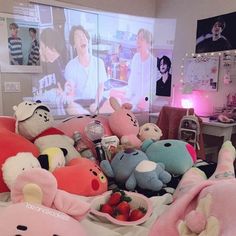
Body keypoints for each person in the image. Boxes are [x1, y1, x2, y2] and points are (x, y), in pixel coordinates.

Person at [64, 25, 108, 113]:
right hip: (78, 104)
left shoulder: (99, 62)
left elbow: (101, 86)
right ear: (74, 45)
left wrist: (96, 103)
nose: (82, 39)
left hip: (97, 101)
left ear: (87, 40)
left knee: (114, 101)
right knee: (70, 107)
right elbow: (70, 92)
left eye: (83, 36)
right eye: (78, 37)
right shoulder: (70, 66)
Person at [33, 28, 67, 116]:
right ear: (45, 47)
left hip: (56, 116)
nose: (55, 57)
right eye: (53, 52)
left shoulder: (56, 63)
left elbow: (63, 85)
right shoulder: (33, 66)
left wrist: (63, 91)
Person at [127, 28, 157, 111]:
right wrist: (128, 96)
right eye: (137, 38)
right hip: (133, 98)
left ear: (148, 44)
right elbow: (132, 79)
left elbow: (147, 88)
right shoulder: (136, 57)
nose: (137, 41)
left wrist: (133, 102)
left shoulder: (153, 62)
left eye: (141, 39)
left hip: (144, 101)